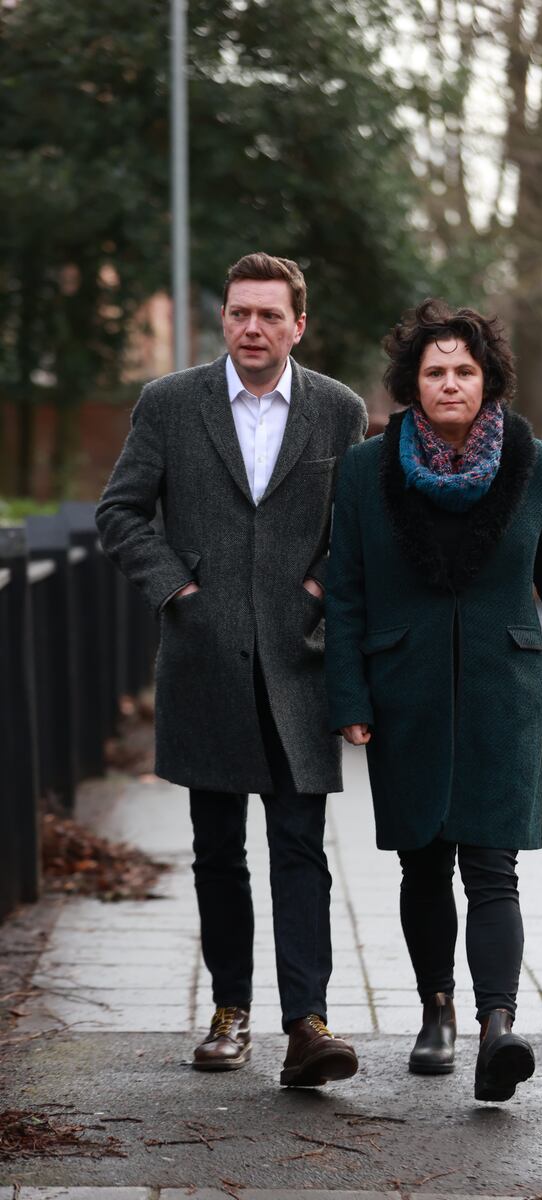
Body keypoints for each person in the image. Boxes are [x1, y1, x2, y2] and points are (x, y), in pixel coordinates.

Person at [324, 298, 542, 1102]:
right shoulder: (366, 469)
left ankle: (497, 1027)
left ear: (487, 381)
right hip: (405, 690)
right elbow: (345, 590)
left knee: (494, 864)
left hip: (499, 687)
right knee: (424, 860)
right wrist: (348, 693)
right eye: (435, 371)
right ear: (412, 385)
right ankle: (437, 1014)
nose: (451, 383)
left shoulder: (529, 460)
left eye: (464, 370)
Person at [96, 252, 367, 1087]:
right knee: (217, 851)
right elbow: (121, 510)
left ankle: (307, 1024)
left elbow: (356, 529)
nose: (252, 327)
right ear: (225, 319)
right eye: (240, 313)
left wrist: (319, 589)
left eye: (269, 315)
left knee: (299, 847)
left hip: (298, 663)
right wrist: (177, 587)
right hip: (204, 661)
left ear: (298, 325)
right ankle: (230, 1014)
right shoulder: (171, 404)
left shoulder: (338, 410)